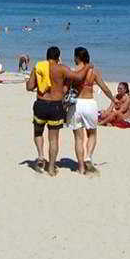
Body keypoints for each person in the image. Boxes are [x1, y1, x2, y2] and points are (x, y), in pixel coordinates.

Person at [25, 46, 92, 176]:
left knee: (38, 132)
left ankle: (40, 156)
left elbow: (29, 87)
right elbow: (78, 77)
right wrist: (88, 67)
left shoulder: (38, 67)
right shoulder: (61, 68)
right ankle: (50, 167)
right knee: (53, 139)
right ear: (58, 57)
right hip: (56, 105)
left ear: (46, 56)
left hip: (41, 104)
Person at [67, 47, 118, 175]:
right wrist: (113, 99)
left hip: (76, 104)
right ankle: (88, 157)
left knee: (78, 138)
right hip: (89, 103)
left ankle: (81, 168)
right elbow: (104, 87)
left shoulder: (73, 71)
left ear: (77, 58)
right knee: (92, 134)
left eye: (74, 56)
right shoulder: (93, 71)